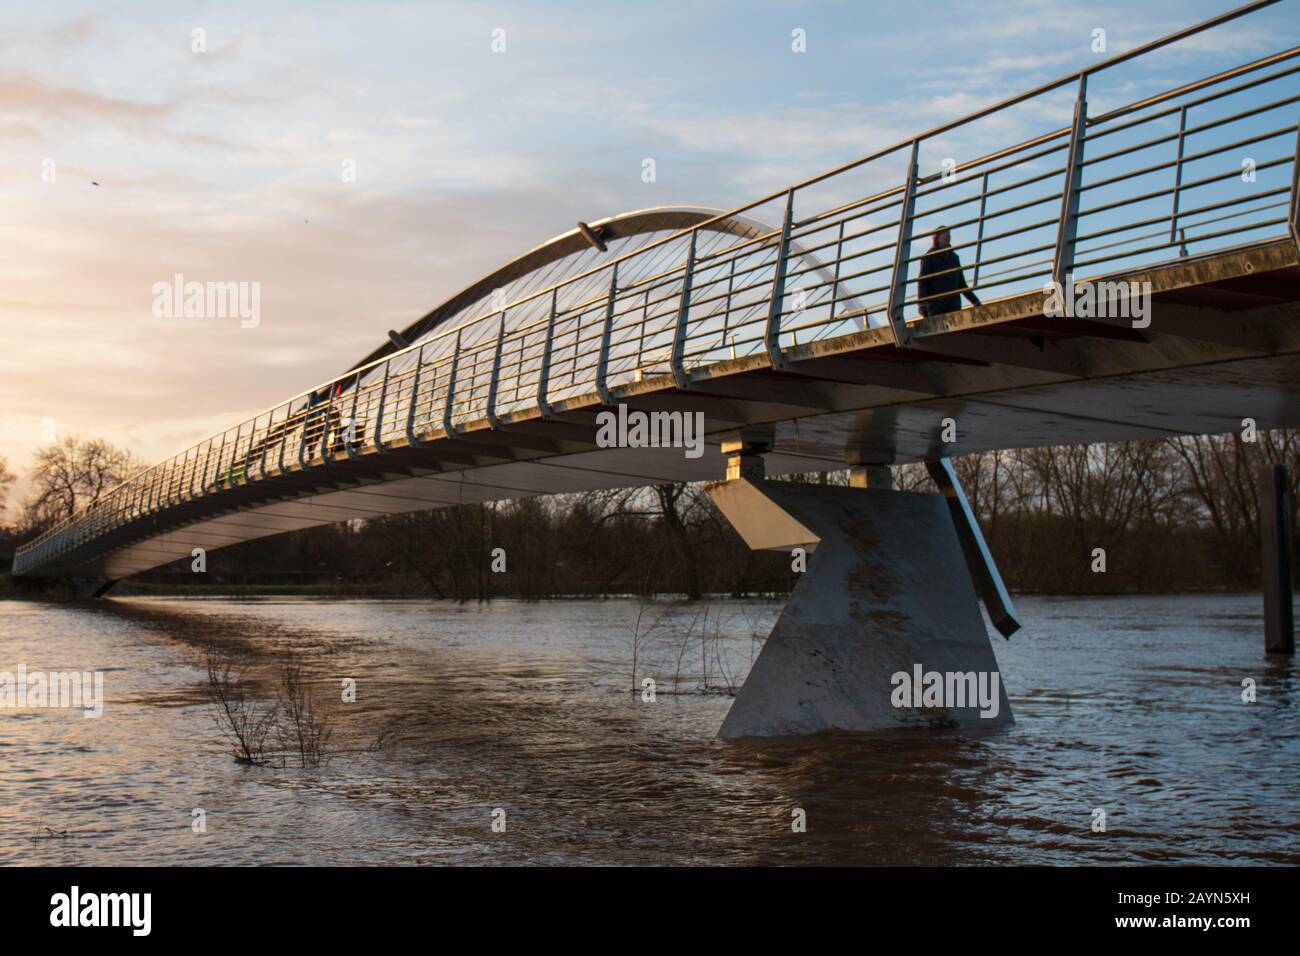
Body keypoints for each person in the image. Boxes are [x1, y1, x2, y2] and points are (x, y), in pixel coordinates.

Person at [917, 225, 981, 317]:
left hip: (954, 307)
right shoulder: (929, 257)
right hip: (936, 307)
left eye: (949, 234)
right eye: (944, 233)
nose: (948, 236)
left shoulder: (954, 258)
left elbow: (961, 284)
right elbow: (923, 282)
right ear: (937, 238)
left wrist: (976, 302)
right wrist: (922, 305)